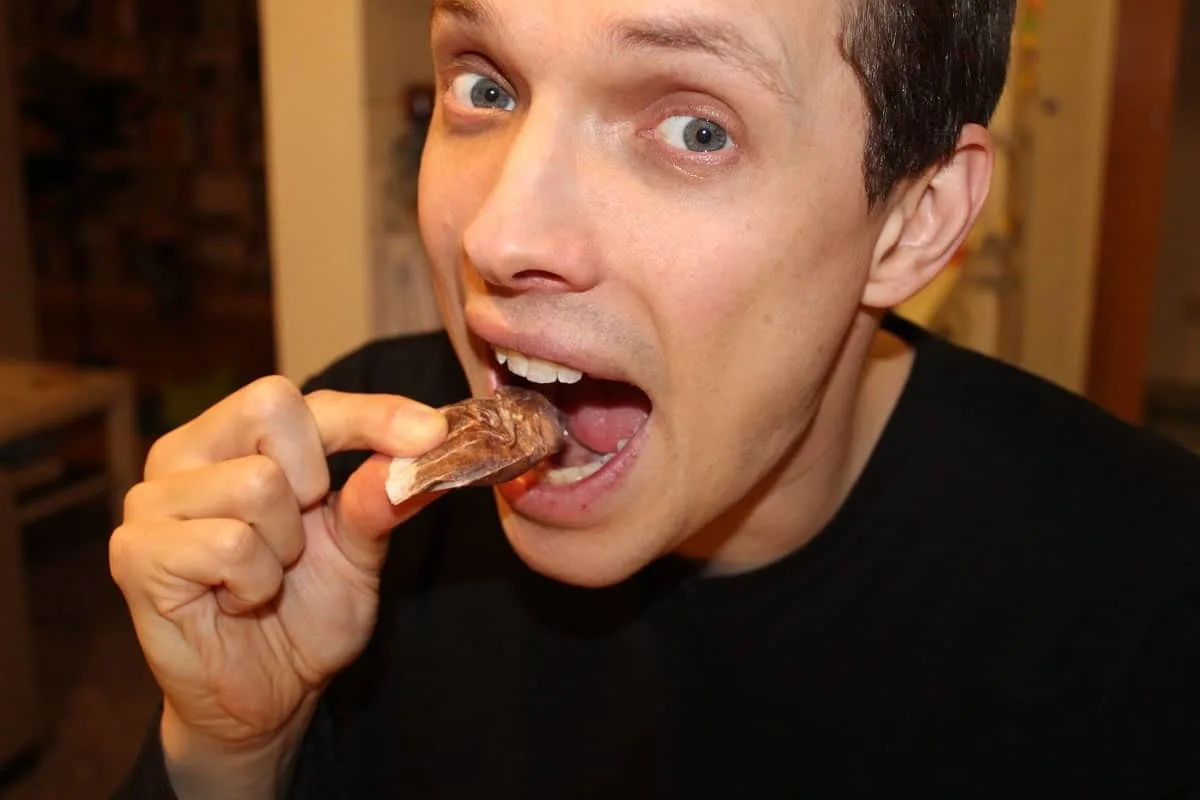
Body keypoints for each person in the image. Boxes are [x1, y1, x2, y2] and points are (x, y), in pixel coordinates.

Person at [110, 0, 1200, 797]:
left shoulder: (1150, 595)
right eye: (486, 85)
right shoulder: (336, 502)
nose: (499, 234)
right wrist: (234, 754)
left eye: (695, 129)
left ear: (914, 219)